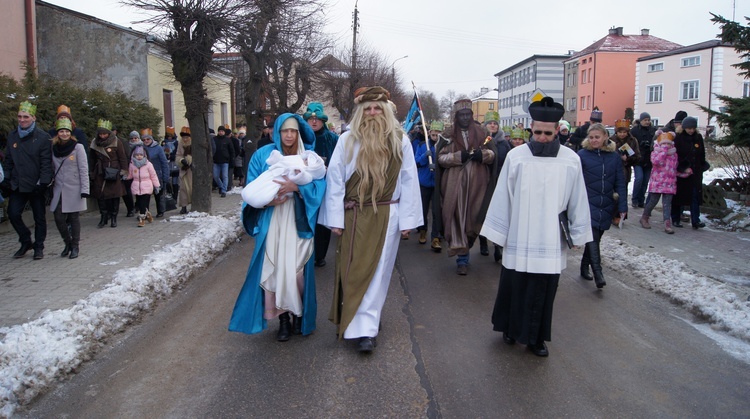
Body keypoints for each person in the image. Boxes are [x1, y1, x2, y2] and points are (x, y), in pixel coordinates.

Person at [481, 97, 592, 357]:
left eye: (548, 133)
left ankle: (536, 337)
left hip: (550, 236)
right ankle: (509, 327)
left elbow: (578, 197)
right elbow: (503, 195)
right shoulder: (516, 156)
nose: (542, 138)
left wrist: (577, 232)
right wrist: (499, 232)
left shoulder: (570, 159)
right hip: (520, 231)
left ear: (556, 132)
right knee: (515, 283)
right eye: (538, 132)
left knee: (544, 287)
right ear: (531, 129)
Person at [319, 86, 422, 353]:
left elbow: (410, 181)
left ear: (386, 110)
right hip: (354, 213)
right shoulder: (347, 140)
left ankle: (366, 328)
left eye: (378, 108)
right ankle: (361, 319)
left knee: (379, 270)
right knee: (354, 269)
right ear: (360, 112)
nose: (373, 113)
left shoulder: (401, 140)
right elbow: (335, 181)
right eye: (368, 109)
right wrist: (335, 219)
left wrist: (409, 220)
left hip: (387, 214)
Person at [229, 113, 326, 341]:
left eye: (293, 131)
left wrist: (297, 188)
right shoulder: (264, 155)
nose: (289, 135)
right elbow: (252, 188)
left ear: (299, 132)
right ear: (278, 132)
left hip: (298, 218)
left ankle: (299, 315)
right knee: (273, 268)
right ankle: (282, 318)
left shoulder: (308, 156)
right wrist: (268, 200)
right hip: (272, 217)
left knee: (297, 270)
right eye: (285, 131)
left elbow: (320, 186)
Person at [436, 99, 497, 275]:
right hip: (454, 185)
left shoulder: (482, 132)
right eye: (461, 115)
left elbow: (493, 155)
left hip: (478, 184)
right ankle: (462, 258)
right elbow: (440, 158)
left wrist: (483, 155)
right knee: (455, 217)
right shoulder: (448, 135)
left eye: (467, 115)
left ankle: (467, 247)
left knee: (473, 217)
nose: (464, 118)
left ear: (471, 115)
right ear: (456, 117)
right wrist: (457, 157)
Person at [578, 123, 628, 288]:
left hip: (606, 202)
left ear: (606, 137)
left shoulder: (614, 157)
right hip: (587, 202)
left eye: (597, 137)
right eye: (591, 137)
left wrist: (622, 207)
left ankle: (584, 266)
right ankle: (598, 273)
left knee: (596, 238)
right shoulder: (582, 155)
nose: (594, 140)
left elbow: (620, 182)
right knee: (591, 235)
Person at [3, 101, 52, 259]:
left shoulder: (43, 137)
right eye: (19, 116)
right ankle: (25, 241)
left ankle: (39, 246)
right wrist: (6, 179)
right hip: (18, 184)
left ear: (33, 118)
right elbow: (8, 160)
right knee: (13, 213)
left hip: (36, 185)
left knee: (39, 217)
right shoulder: (12, 136)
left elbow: (46, 163)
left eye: (26, 117)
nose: (22, 120)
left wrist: (43, 182)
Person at [302, 102, 340, 267]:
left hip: (326, 186)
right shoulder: (301, 138)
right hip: (305, 187)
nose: (314, 122)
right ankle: (304, 253)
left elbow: (340, 162)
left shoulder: (333, 139)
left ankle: (320, 255)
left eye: (317, 119)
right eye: (311, 119)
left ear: (323, 120)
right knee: (305, 219)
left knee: (322, 222)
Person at [49, 119, 89, 259]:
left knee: (74, 218)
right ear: (57, 133)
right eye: (61, 131)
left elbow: (83, 169)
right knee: (58, 217)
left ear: (70, 133)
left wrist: (85, 189)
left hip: (74, 188)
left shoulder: (78, 147)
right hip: (58, 188)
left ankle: (75, 246)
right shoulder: (53, 147)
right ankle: (67, 242)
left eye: (67, 131)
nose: (64, 134)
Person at [89, 119, 128, 228]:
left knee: (114, 195)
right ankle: (103, 217)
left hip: (113, 171)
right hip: (100, 172)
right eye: (100, 134)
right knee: (100, 195)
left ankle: (114, 217)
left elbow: (122, 157)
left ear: (109, 133)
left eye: (104, 133)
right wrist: (91, 171)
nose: (102, 136)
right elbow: (91, 158)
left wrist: (123, 171)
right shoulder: (94, 143)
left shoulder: (116, 141)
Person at [672, 117, 708, 229]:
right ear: (684, 127)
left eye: (693, 128)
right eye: (688, 128)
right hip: (682, 172)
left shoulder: (698, 137)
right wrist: (683, 167)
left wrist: (702, 166)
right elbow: (676, 156)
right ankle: (676, 219)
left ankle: (695, 220)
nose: (691, 130)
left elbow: (701, 153)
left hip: (696, 171)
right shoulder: (678, 138)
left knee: (695, 196)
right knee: (679, 197)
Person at [639, 131, 678, 234]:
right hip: (658, 182)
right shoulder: (655, 152)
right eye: (664, 143)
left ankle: (667, 223)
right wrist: (664, 151)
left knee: (667, 203)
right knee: (653, 201)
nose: (666, 146)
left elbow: (675, 167)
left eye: (668, 143)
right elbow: (656, 162)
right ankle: (645, 217)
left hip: (669, 182)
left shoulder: (674, 154)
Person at [477, 111, 504, 258]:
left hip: (499, 181)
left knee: (498, 214)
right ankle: (483, 242)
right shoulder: (481, 141)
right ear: (485, 125)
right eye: (490, 123)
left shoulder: (503, 142)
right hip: (484, 180)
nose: (493, 125)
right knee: (483, 213)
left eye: (495, 123)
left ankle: (497, 245)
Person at [414, 121, 439, 245]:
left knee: (436, 211)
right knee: (423, 210)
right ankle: (423, 230)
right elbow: (416, 162)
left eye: (438, 135)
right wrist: (425, 156)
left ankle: (435, 237)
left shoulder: (443, 146)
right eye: (433, 135)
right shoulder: (422, 145)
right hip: (424, 183)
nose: (435, 137)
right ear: (429, 133)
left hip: (437, 184)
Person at [611, 119, 640, 224]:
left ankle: (621, 216)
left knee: (622, 194)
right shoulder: (611, 140)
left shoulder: (632, 141)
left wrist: (627, 159)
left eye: (624, 132)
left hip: (625, 172)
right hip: (612, 171)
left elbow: (637, 157)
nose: (622, 134)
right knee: (613, 194)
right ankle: (612, 215)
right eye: (620, 132)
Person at [127, 145, 160, 227]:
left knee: (143, 203)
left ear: (144, 155)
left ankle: (142, 219)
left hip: (147, 186)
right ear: (134, 155)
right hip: (136, 186)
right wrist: (125, 176)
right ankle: (148, 214)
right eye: (137, 155)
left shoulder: (148, 164)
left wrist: (157, 185)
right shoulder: (132, 164)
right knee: (140, 203)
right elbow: (130, 175)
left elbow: (153, 175)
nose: (139, 157)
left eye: (141, 155)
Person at [141, 128, 169, 217]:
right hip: (145, 176)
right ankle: (145, 212)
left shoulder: (158, 148)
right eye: (144, 139)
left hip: (157, 175)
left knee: (158, 194)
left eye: (148, 139)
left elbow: (164, 163)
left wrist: (165, 177)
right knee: (145, 196)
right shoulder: (141, 148)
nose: (146, 141)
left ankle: (160, 211)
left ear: (151, 139)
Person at [630, 112, 657, 208]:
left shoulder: (653, 130)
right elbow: (630, 144)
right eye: (645, 120)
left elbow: (657, 143)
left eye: (648, 120)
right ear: (640, 120)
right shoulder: (635, 131)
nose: (647, 122)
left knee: (645, 181)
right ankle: (634, 199)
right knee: (639, 179)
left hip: (649, 160)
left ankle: (641, 200)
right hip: (638, 159)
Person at [122, 131, 143, 217]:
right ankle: (130, 208)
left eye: (135, 138)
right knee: (127, 190)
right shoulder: (126, 146)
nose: (134, 140)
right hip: (129, 170)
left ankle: (138, 205)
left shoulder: (142, 146)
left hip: (139, 171)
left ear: (138, 138)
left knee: (138, 189)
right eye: (132, 138)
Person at [212, 125, 235, 197]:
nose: (221, 132)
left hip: (225, 161)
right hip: (216, 160)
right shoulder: (214, 139)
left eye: (222, 131)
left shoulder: (227, 140)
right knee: (215, 176)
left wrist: (232, 159)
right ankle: (221, 186)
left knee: (225, 176)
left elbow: (232, 150)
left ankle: (224, 191)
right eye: (219, 131)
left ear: (224, 132)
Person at [175, 126, 193, 214]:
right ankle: (183, 206)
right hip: (184, 169)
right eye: (183, 137)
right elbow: (178, 155)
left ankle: (194, 205)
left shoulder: (194, 144)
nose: (185, 139)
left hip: (192, 170)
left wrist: (190, 160)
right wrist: (181, 160)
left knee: (192, 188)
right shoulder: (180, 144)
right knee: (183, 188)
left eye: (187, 137)